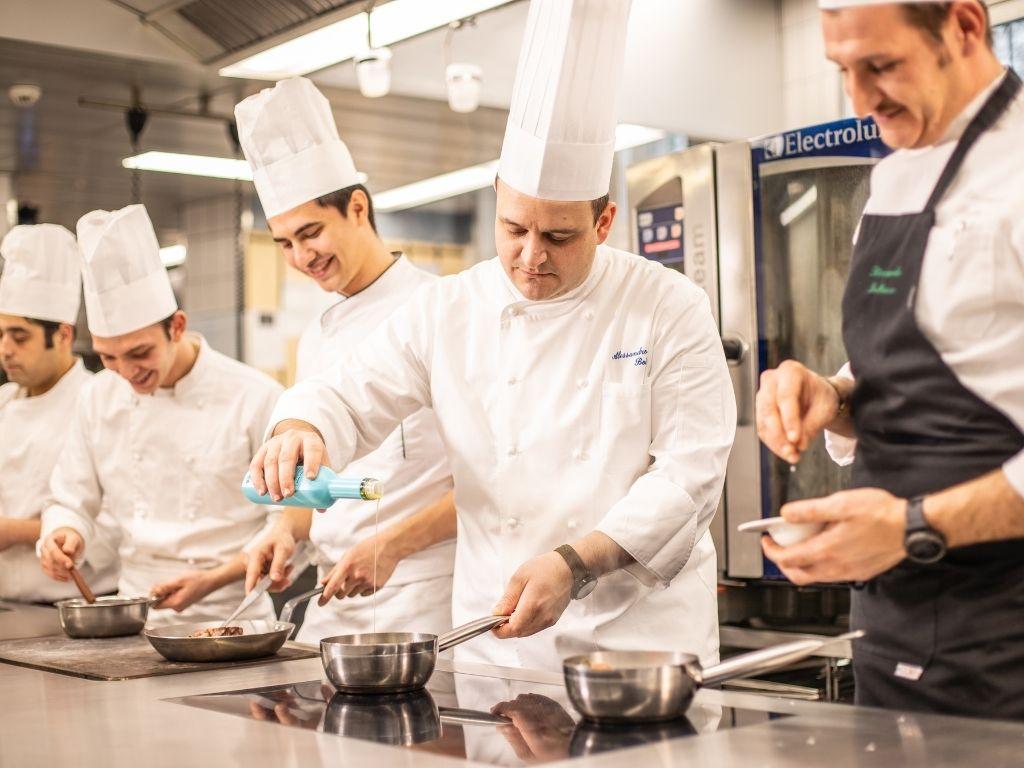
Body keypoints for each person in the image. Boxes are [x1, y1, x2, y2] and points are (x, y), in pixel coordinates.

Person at [247, 0, 736, 671]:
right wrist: (303, 425)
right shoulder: (451, 308)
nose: (531, 255)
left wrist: (574, 563)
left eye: (558, 236)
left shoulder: (668, 305)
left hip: (638, 647)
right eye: (513, 228)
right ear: (498, 198)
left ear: (604, 222)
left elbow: (690, 476)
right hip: (495, 647)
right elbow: (351, 390)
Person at [756, 0, 1024, 717]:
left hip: (1006, 637)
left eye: (882, 66)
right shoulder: (894, 179)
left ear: (964, 27)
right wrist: (836, 398)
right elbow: (920, 369)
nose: (860, 99)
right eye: (842, 69)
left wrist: (911, 526)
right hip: (891, 626)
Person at [234, 76, 457, 642]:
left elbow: (490, 478)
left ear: (357, 208)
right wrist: (287, 529)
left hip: (424, 597)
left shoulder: (440, 311)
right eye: (284, 243)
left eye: (310, 233)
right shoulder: (317, 337)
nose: (300, 257)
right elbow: (322, 476)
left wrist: (393, 545)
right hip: (332, 599)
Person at [38, 204, 284, 625]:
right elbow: (71, 498)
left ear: (177, 327)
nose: (127, 372)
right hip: (135, 619)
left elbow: (288, 522)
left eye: (139, 353)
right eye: (108, 357)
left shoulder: (256, 396)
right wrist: (64, 532)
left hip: (235, 617)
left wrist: (213, 579)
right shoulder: (98, 397)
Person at [0, 224, 119, 602]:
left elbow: (122, 520)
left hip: (76, 604)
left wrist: (15, 532)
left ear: (64, 335)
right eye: (0, 335)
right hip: (8, 607)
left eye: (20, 337)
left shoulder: (100, 401)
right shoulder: (3, 402)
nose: (5, 350)